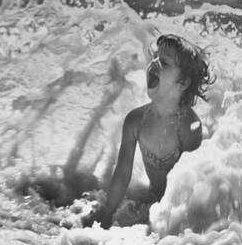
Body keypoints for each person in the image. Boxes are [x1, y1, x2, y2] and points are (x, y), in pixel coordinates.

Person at [83, 34, 214, 229]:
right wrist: (108, 212)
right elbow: (122, 173)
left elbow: (194, 185)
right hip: (152, 202)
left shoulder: (188, 126)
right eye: (155, 57)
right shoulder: (136, 121)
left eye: (164, 62)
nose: (154, 64)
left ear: (183, 83)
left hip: (176, 210)